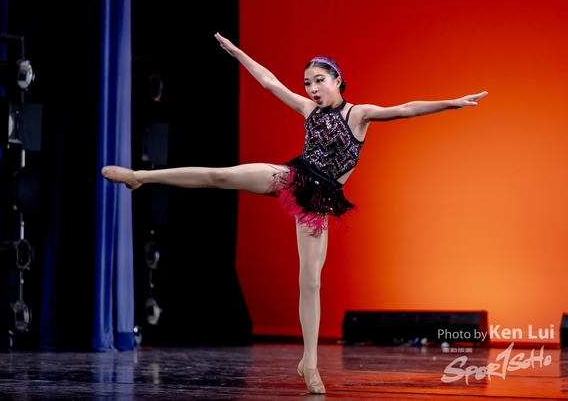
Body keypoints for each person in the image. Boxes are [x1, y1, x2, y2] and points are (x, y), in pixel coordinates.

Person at [102, 32, 487, 394]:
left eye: (319, 81)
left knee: (311, 283)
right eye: (307, 83)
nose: (312, 89)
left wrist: (451, 102)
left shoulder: (359, 114)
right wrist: (236, 53)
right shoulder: (309, 109)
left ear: (338, 80)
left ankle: (309, 362)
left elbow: (405, 109)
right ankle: (139, 177)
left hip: (320, 199)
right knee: (221, 176)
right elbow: (269, 81)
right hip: (291, 176)